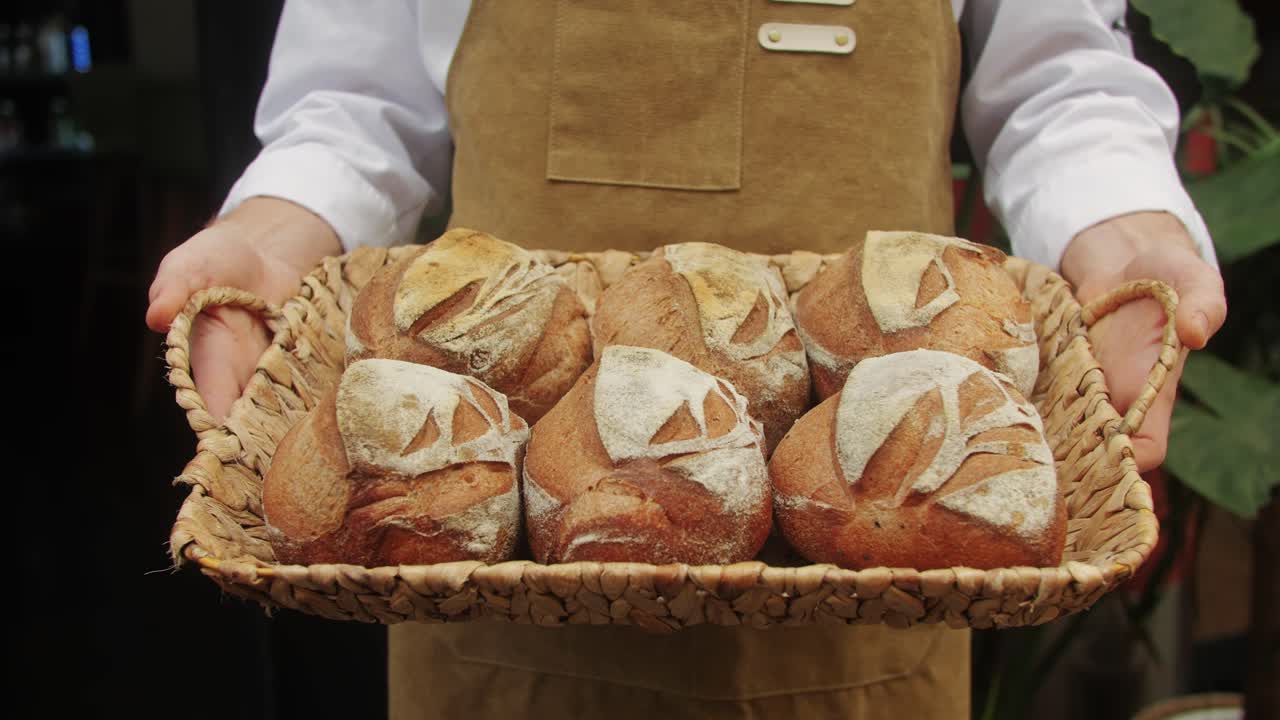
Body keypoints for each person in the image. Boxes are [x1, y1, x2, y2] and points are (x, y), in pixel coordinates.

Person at [146, 2, 1228, 718]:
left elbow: (1055, 81)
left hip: (870, 594)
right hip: (486, 584)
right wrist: (271, 235)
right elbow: (352, 105)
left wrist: (1123, 229)